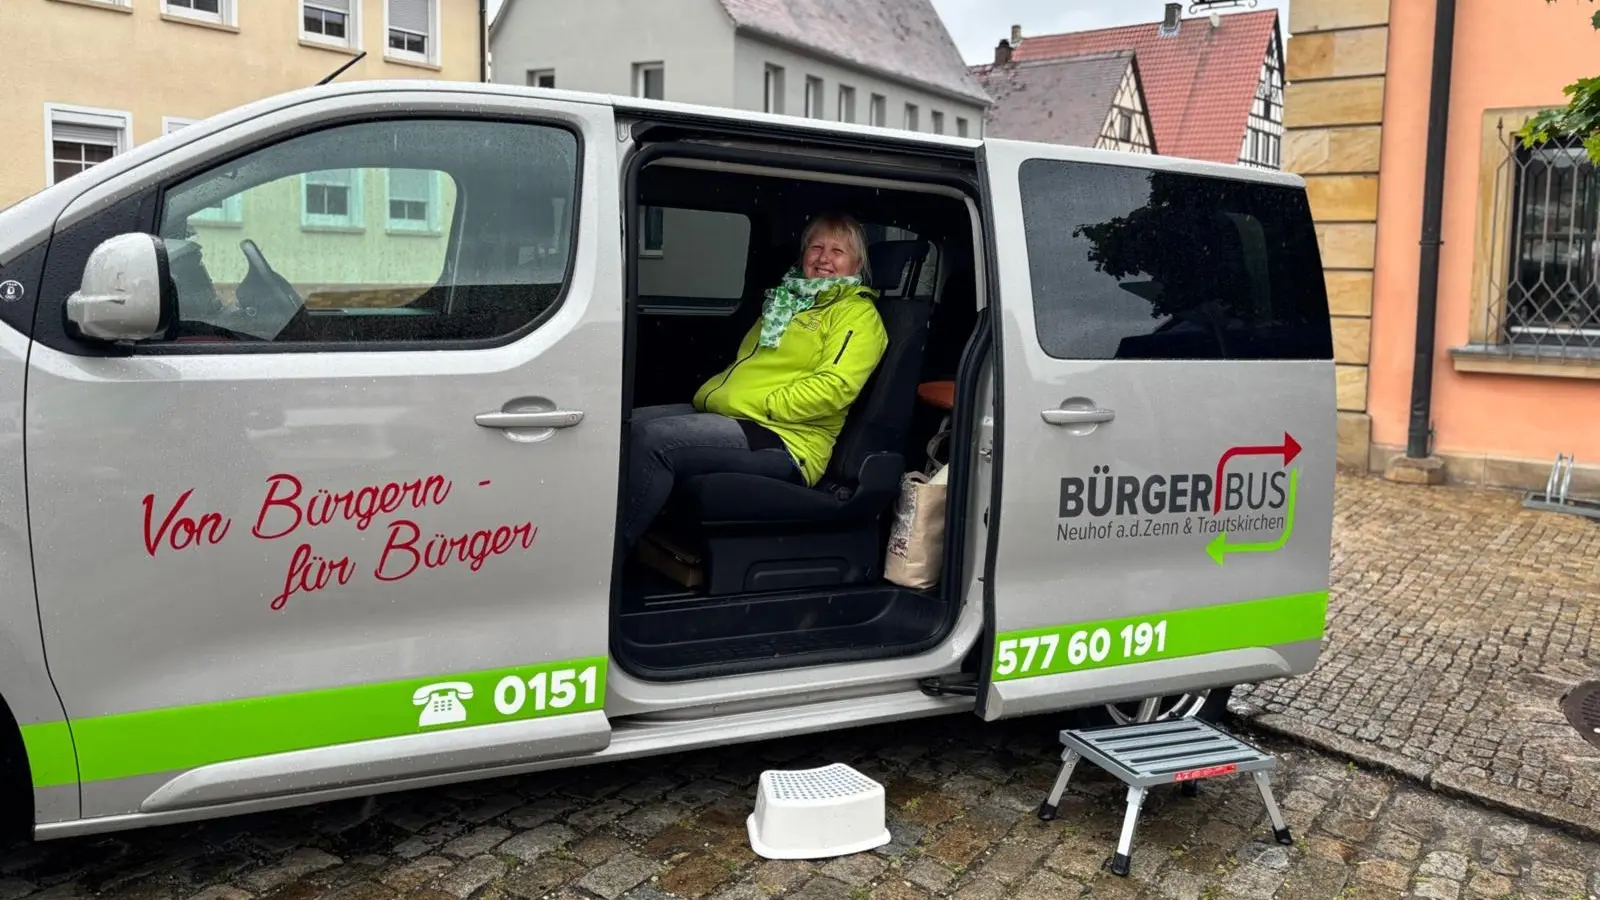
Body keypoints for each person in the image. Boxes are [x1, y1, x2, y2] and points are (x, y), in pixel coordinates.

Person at [621, 212, 890, 549]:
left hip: (786, 438)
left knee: (653, 440)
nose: (823, 258)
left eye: (837, 251)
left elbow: (833, 390)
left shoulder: (857, 315)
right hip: (741, 415)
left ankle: (608, 559)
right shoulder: (786, 302)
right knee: (625, 425)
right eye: (816, 247)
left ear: (857, 264)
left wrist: (764, 405)